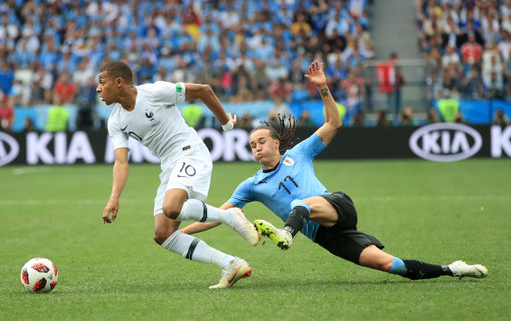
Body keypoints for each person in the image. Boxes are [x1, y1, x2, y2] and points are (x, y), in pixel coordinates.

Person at [181, 61, 488, 282]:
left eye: (261, 142)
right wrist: (179, 234)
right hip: (327, 236)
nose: (257, 148)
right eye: (251, 146)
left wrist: (323, 88)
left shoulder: (298, 154)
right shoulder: (252, 184)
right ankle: (454, 268)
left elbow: (334, 124)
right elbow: (219, 215)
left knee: (298, 205)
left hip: (336, 206)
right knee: (389, 266)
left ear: (277, 142)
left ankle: (285, 233)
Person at [96, 61, 259, 289]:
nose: (98, 89)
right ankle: (230, 263)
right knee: (163, 234)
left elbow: (204, 90)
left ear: (119, 82)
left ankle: (229, 217)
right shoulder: (115, 121)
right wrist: (114, 197)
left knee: (171, 207)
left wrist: (227, 125)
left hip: (190, 151)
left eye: (102, 83)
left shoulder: (154, 92)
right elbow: (121, 160)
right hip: (169, 164)